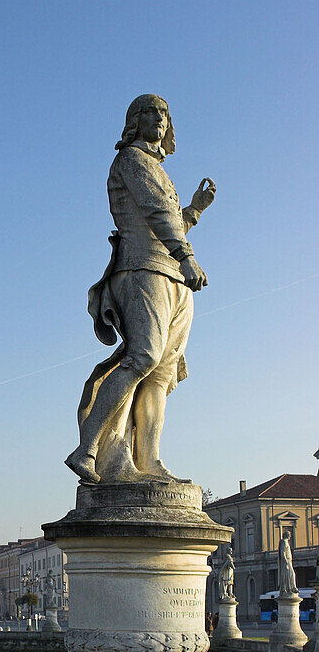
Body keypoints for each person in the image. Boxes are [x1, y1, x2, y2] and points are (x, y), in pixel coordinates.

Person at [66, 95, 215, 484]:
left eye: (165, 114)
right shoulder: (132, 160)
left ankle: (148, 461)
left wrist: (195, 210)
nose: (160, 119)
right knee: (143, 357)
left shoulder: (156, 168)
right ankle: (89, 449)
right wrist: (186, 255)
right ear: (134, 120)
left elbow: (169, 221)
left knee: (161, 376)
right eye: (152, 112)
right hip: (141, 269)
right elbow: (154, 214)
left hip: (174, 276)